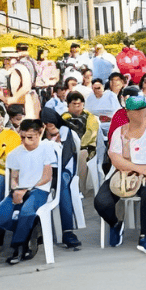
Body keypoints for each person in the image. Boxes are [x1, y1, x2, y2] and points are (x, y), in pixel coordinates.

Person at [94, 96, 146, 254]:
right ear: (128, 113)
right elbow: (116, 159)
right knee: (101, 202)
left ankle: (145, 236)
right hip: (121, 173)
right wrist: (140, 169)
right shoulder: (120, 131)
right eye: (136, 111)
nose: (141, 114)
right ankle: (115, 224)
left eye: (143, 110)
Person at [0, 119, 57, 265]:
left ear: (39, 134)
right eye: (22, 137)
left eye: (30, 137)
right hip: (20, 190)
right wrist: (16, 190)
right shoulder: (15, 153)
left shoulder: (46, 149)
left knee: (27, 211)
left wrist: (26, 190)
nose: (26, 141)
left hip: (39, 189)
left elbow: (47, 177)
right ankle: (29, 230)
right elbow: (14, 177)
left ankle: (19, 245)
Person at [38, 107, 82, 250]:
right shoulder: (39, 134)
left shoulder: (65, 131)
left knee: (61, 183)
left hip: (64, 171)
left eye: (51, 123)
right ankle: (37, 230)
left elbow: (65, 157)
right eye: (46, 124)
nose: (49, 126)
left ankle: (67, 230)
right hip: (46, 171)